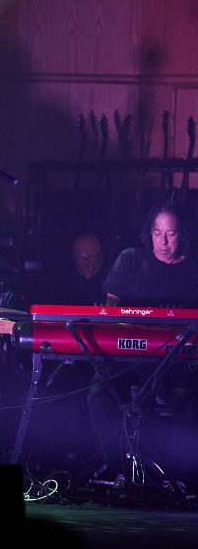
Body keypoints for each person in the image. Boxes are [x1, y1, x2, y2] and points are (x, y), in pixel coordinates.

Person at [87, 201, 198, 484]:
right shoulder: (130, 260)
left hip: (178, 361)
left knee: (184, 404)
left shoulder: (193, 267)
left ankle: (175, 478)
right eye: (157, 233)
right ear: (149, 232)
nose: (163, 241)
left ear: (181, 233)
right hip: (128, 357)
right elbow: (109, 313)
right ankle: (119, 472)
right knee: (99, 396)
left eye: (170, 234)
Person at [61, 233, 108, 306]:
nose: (92, 262)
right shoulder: (64, 285)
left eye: (95, 256)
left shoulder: (113, 282)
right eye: (85, 258)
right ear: (75, 258)